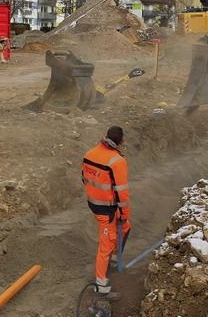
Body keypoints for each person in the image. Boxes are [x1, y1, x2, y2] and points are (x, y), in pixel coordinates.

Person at [81, 125, 131, 301]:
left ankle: (115, 259)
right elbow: (122, 193)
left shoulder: (90, 154)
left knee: (125, 228)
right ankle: (102, 287)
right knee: (105, 246)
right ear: (121, 141)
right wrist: (123, 213)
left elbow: (84, 178)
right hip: (106, 210)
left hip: (95, 204)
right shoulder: (117, 161)